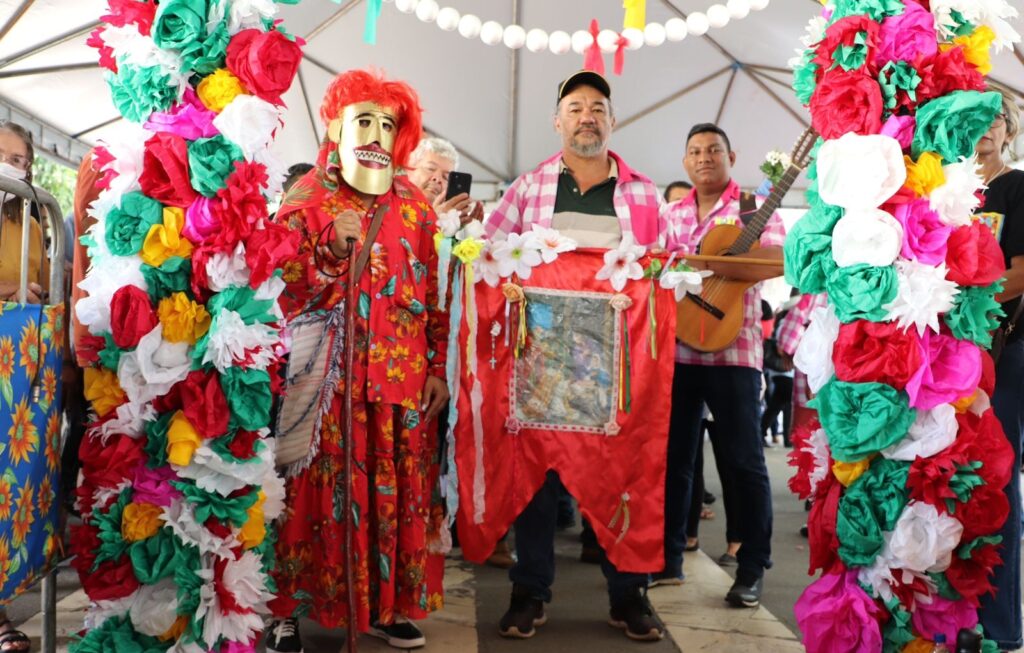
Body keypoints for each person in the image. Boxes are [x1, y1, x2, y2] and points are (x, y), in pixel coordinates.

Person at [266, 69, 449, 652]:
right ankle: (286, 610)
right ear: (337, 124)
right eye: (362, 119)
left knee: (394, 491)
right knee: (306, 493)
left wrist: (438, 366)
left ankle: (387, 606)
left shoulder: (416, 207)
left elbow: (432, 293)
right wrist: (327, 250)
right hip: (324, 382)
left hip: (399, 382)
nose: (374, 132)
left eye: (386, 123)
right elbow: (276, 290)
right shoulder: (307, 198)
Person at [484, 70, 665, 642]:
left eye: (597, 107)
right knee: (537, 479)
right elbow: (491, 254)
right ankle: (528, 592)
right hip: (540, 360)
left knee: (622, 476)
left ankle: (628, 594)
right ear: (557, 120)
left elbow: (662, 271)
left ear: (612, 121)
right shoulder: (526, 187)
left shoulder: (642, 192)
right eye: (575, 106)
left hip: (620, 365)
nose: (587, 116)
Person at [661, 122, 785, 608]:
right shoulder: (670, 212)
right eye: (694, 151)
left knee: (744, 461)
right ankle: (667, 556)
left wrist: (707, 265)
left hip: (736, 353)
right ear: (685, 161)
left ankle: (752, 567)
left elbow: (774, 261)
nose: (704, 157)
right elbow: (658, 264)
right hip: (677, 348)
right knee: (674, 460)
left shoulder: (754, 208)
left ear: (731, 156)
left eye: (713, 149)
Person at [974, 89, 1024, 653]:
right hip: (946, 359)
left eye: (995, 120)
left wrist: (957, 297)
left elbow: (1018, 274)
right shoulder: (946, 193)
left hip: (1003, 351)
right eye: (973, 121)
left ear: (1008, 131)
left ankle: (1002, 626)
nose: (984, 128)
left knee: (998, 481)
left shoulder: (1016, 187)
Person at [0, 119, 46, 653]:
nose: (14, 167)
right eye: (6, 157)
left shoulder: (32, 215)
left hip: (14, 366)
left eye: (21, 160)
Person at [405, 136, 483, 223]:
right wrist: (434, 219)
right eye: (430, 168)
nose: (438, 179)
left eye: (446, 177)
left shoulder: (451, 222)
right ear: (409, 169)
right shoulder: (390, 205)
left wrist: (464, 231)